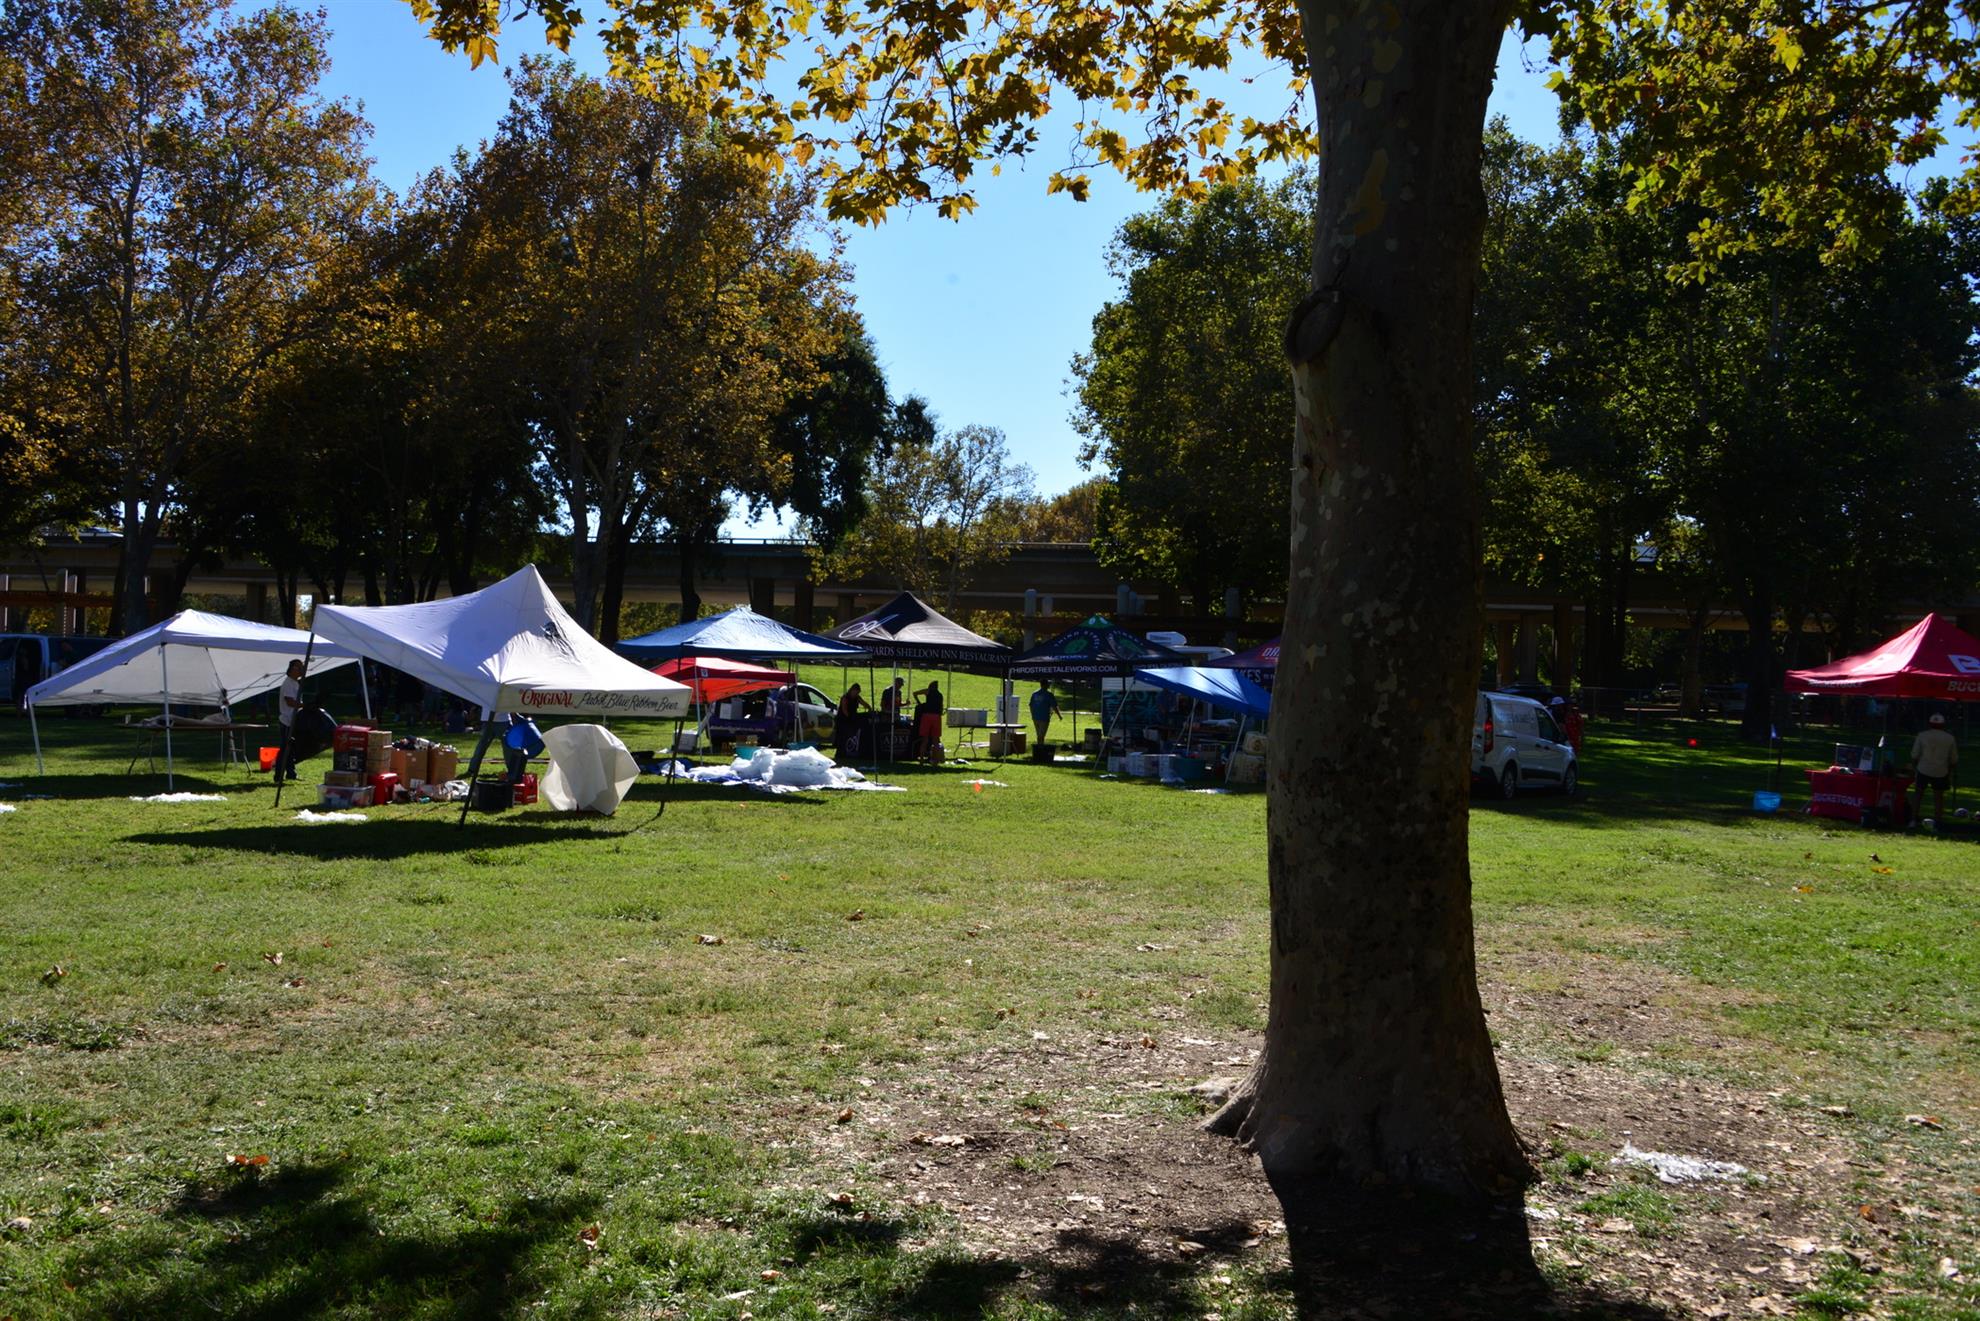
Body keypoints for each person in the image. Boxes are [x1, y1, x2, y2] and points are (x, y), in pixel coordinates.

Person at [1910, 712, 1959, 826]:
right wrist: (1949, 770)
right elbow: (1954, 759)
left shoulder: (1922, 735)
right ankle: (1938, 821)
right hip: (1941, 770)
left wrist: (1915, 768)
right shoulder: (1949, 738)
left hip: (1923, 768)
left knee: (1918, 795)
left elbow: (1915, 755)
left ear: (1930, 724)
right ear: (1943, 725)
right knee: (1938, 797)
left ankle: (1913, 819)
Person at [275, 659, 304, 780]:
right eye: (300, 668)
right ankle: (278, 775)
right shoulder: (288, 683)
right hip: (287, 721)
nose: (302, 670)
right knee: (285, 749)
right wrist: (304, 706)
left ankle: (291, 773)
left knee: (290, 749)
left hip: (292, 720)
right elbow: (290, 702)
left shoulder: (295, 683)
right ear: (293, 669)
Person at [834, 684, 869, 762]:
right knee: (842, 737)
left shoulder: (857, 698)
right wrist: (850, 718)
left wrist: (869, 707)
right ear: (852, 690)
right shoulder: (845, 698)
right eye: (856, 692)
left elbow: (864, 703)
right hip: (842, 720)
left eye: (858, 693)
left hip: (852, 719)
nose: (856, 694)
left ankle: (850, 752)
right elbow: (844, 710)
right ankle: (839, 754)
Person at [914, 680, 944, 761]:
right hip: (936, 717)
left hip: (926, 716)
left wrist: (919, 703)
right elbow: (941, 707)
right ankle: (936, 761)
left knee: (925, 740)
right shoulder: (940, 695)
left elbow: (915, 693)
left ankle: (921, 760)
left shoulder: (927, 691)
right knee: (936, 741)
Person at [1029, 680, 1061, 750]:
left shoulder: (1034, 694)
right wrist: (1059, 716)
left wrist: (1032, 715)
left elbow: (1031, 705)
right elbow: (1054, 706)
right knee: (1041, 735)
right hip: (1044, 718)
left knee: (1039, 734)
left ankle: (1039, 748)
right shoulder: (1049, 695)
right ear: (1046, 685)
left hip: (1035, 717)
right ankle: (1040, 749)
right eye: (1048, 684)